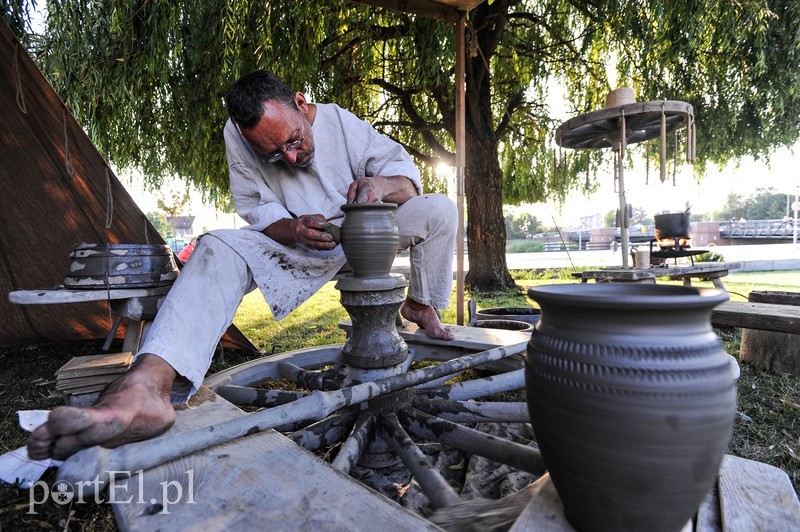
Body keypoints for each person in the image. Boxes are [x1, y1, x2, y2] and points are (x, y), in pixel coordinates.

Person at [27, 70, 457, 460]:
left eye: (294, 140)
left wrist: (379, 185)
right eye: (274, 154)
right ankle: (146, 390)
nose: (290, 158)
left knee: (439, 208)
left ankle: (420, 306)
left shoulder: (341, 122)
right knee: (217, 246)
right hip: (300, 244)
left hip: (368, 237)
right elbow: (255, 208)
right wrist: (293, 229)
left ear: (303, 105)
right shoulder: (239, 134)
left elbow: (406, 180)